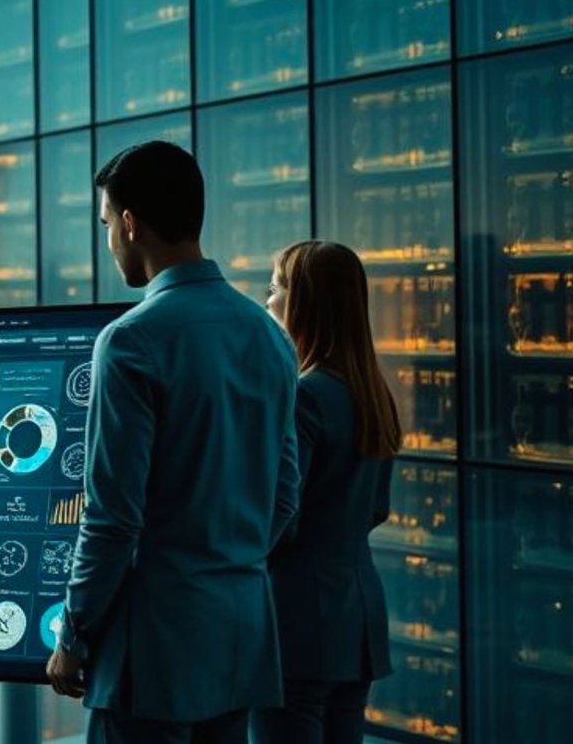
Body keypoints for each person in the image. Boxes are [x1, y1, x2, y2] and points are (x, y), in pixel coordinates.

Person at [46, 141, 301, 744]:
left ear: (130, 223)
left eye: (108, 224)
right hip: (240, 635)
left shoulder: (132, 339)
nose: (110, 242)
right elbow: (285, 495)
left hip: (152, 649)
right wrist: (225, 562)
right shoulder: (267, 335)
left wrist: (74, 634)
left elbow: (112, 519)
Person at [251, 241, 399, 744]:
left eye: (275, 289)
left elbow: (281, 516)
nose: (267, 302)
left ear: (303, 304)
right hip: (356, 618)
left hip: (296, 619)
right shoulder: (373, 394)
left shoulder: (304, 395)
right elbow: (376, 508)